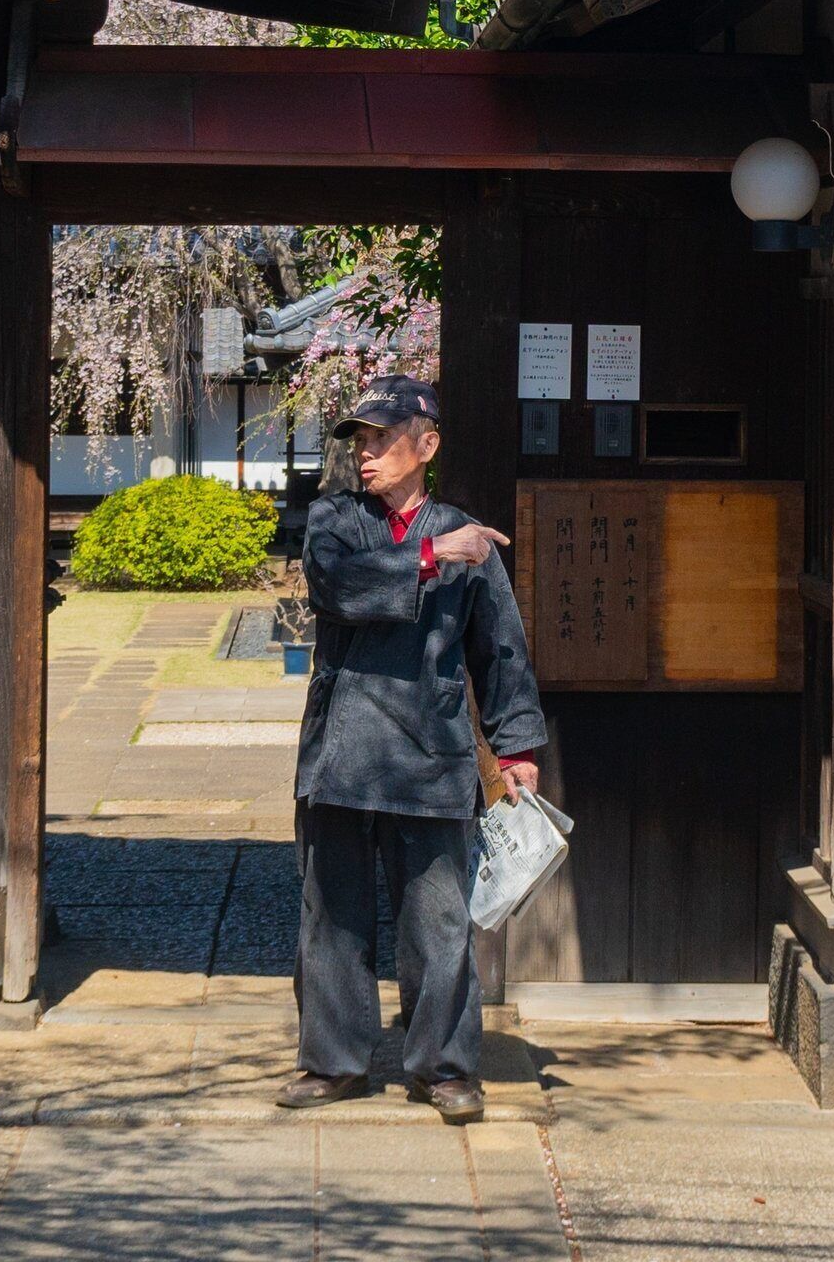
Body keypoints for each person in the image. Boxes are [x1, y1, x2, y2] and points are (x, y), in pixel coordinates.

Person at [279, 373, 546, 1125]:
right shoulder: (334, 520)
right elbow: (335, 587)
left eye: (382, 439)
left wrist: (518, 742)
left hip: (432, 751)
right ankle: (333, 1061)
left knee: (438, 923)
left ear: (426, 445)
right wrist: (432, 557)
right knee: (331, 918)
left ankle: (446, 1067)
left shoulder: (470, 537)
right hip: (341, 750)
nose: (365, 453)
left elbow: (501, 649)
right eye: (359, 439)